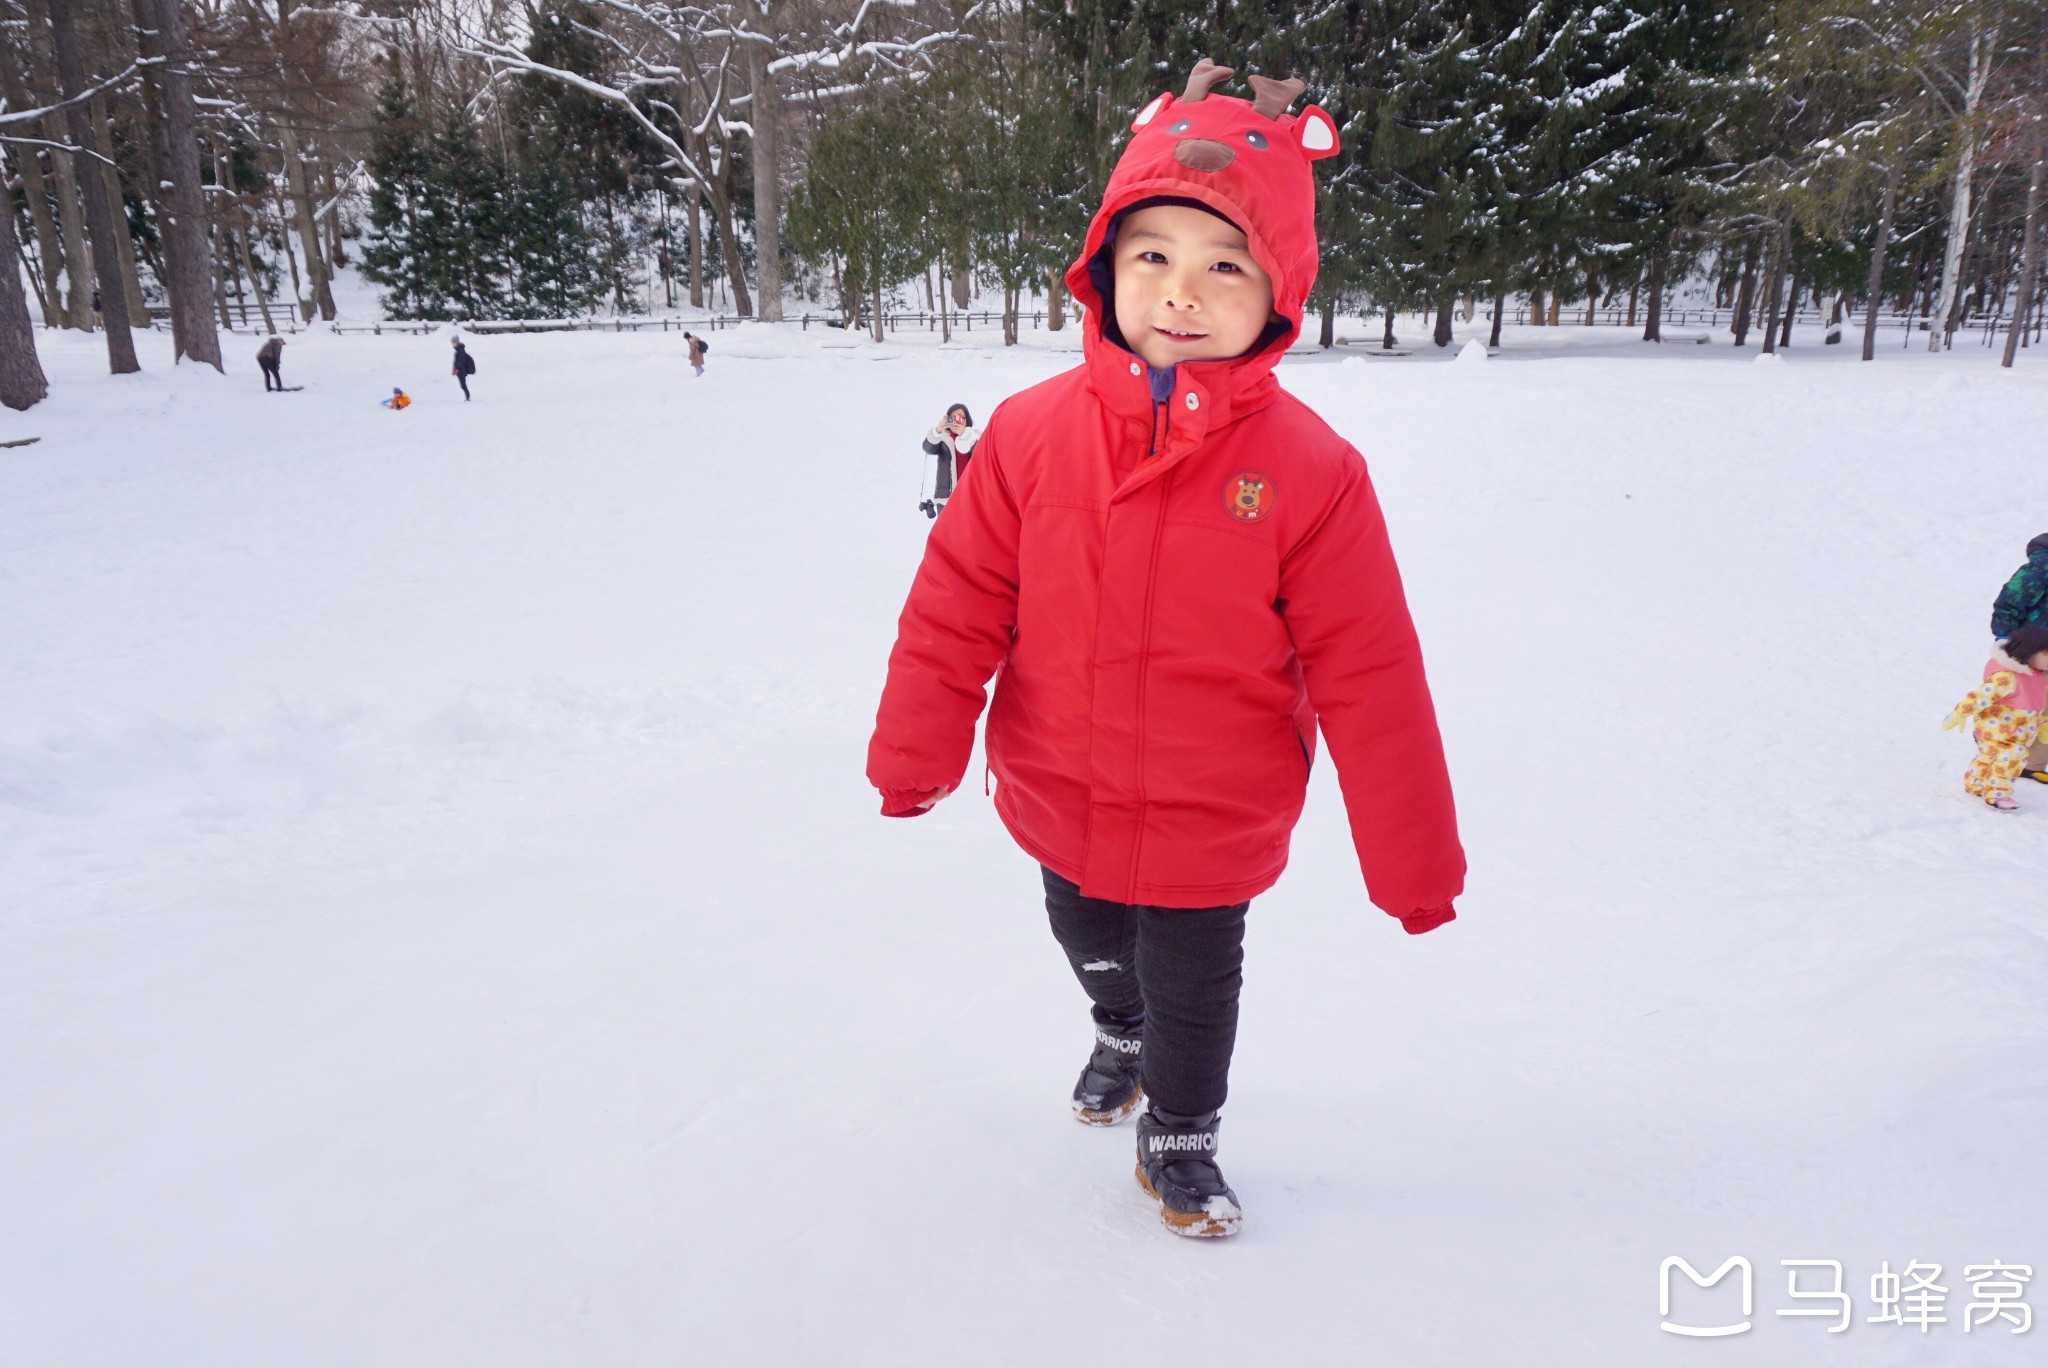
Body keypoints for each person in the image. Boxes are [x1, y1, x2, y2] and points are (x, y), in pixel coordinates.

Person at [865, 61, 1463, 1239]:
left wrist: (1412, 861)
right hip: (1059, 779)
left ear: (1277, 291)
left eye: (1221, 264)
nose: (1181, 293)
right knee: (1089, 939)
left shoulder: (1312, 472)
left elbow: (1371, 671)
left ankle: (1181, 1136)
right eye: (1153, 257)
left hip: (1212, 806)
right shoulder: (1031, 435)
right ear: (1103, 264)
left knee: (1195, 988)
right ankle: (1113, 1030)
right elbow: (955, 602)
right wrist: (914, 754)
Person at [1944, 624, 2048, 811]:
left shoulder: (2039, 677)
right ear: (2029, 651)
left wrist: (2041, 725)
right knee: (2012, 757)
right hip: (1996, 729)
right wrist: (1960, 712)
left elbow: (2036, 704)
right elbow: (1982, 696)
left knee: (1988, 756)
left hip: (2019, 731)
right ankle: (1998, 794)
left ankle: (1974, 783)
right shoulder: (2007, 677)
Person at [1991, 533, 2048, 783]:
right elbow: (2008, 604)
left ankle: (2031, 763)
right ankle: (1996, 751)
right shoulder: (2040, 568)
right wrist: (2009, 641)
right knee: (2020, 702)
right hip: (2033, 648)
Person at [920, 403, 977, 517]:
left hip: (971, 495)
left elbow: (981, 452)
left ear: (967, 420)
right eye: (953, 418)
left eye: (961, 418)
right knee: (946, 533)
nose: (957, 421)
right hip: (946, 497)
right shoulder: (942, 439)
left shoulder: (974, 437)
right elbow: (928, 448)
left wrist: (964, 435)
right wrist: (938, 430)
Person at [450, 336, 476, 401]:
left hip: (461, 371)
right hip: (460, 371)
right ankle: (467, 397)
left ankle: (468, 397)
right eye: (452, 343)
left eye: (453, 343)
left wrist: (456, 371)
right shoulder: (459, 350)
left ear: (457, 342)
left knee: (463, 385)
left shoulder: (460, 351)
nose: (452, 345)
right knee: (463, 385)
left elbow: (459, 363)